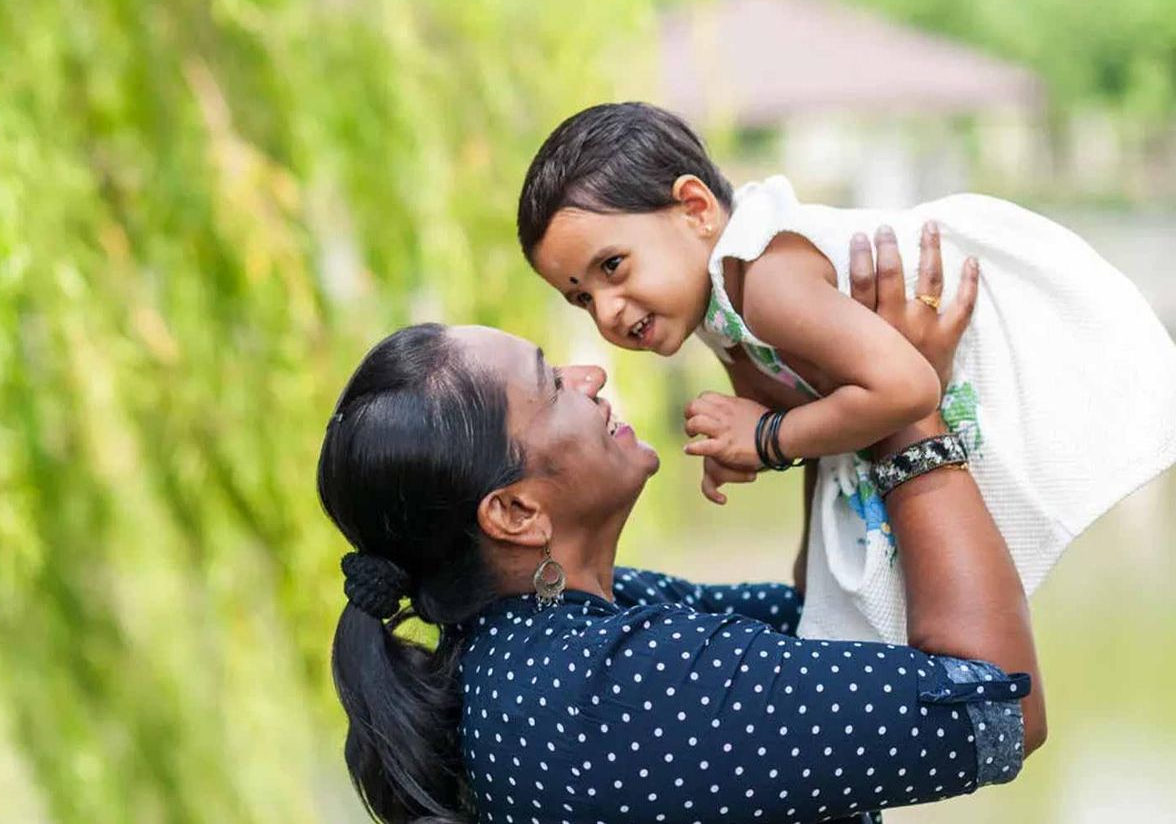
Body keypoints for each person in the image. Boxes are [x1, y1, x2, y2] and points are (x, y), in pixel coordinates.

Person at [319, 237, 1044, 824]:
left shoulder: (559, 633)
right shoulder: (619, 688)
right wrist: (908, 409)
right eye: (549, 384)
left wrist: (816, 407)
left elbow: (831, 618)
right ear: (515, 513)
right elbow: (997, 706)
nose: (589, 377)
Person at [514, 101, 1176, 642]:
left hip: (1018, 341)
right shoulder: (719, 299)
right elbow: (811, 399)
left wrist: (769, 435)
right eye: (580, 297)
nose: (606, 310)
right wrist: (753, 442)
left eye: (612, 267)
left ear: (696, 210)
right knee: (830, 602)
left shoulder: (769, 278)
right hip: (902, 398)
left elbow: (908, 387)